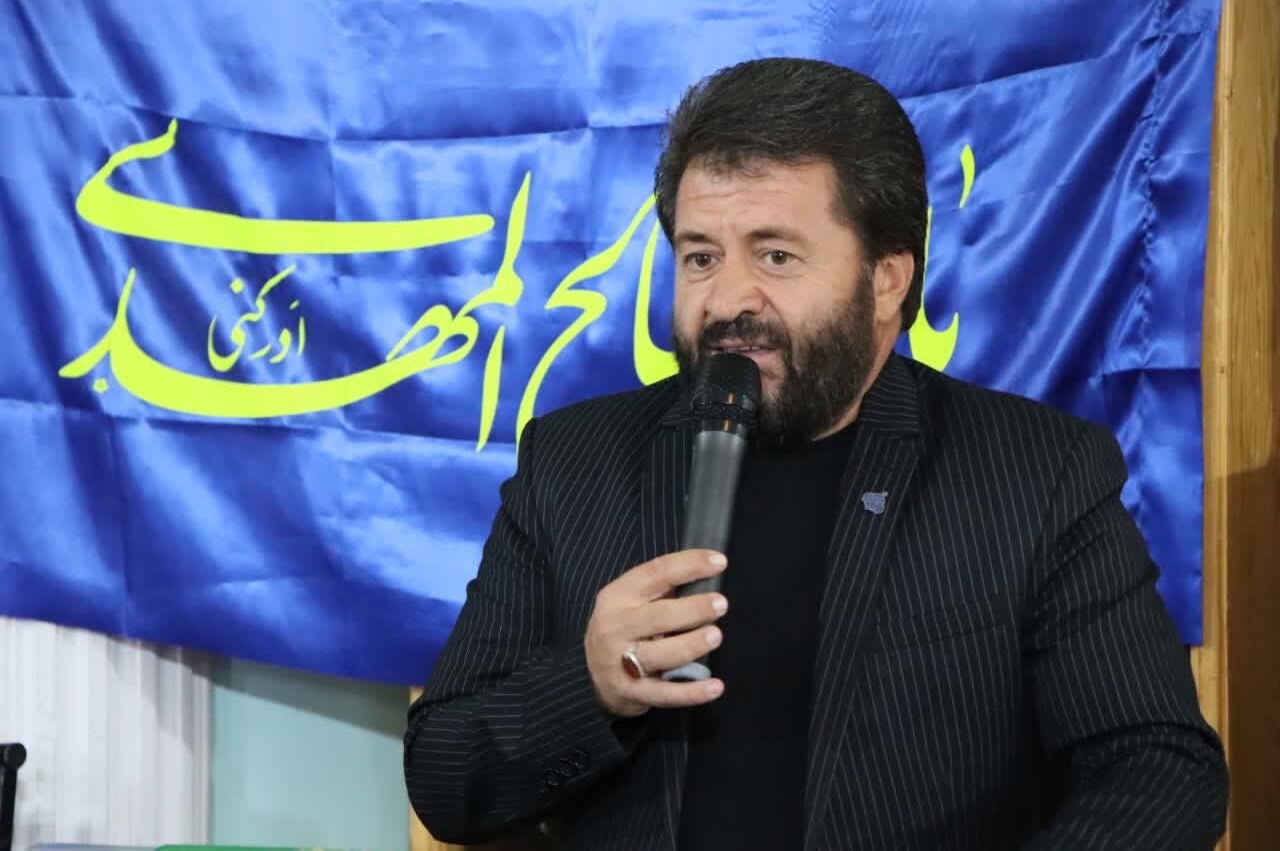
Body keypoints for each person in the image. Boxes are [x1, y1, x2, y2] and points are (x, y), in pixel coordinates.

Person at [404, 57, 1228, 850]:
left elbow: (1160, 771)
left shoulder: (1036, 473)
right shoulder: (575, 462)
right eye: (700, 257)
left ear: (886, 279)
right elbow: (444, 774)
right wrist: (588, 686)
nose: (728, 300)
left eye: (776, 255)